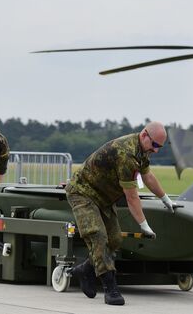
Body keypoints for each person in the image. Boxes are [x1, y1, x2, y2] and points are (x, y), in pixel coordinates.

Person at [65, 121, 178, 306]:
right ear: (144, 135)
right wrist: (144, 225)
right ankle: (111, 288)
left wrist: (165, 198)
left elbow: (148, 175)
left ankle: (85, 270)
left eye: (160, 146)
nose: (156, 150)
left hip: (103, 198)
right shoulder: (126, 154)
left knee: (115, 239)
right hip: (83, 193)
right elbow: (132, 197)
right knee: (98, 236)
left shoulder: (141, 150)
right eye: (155, 145)